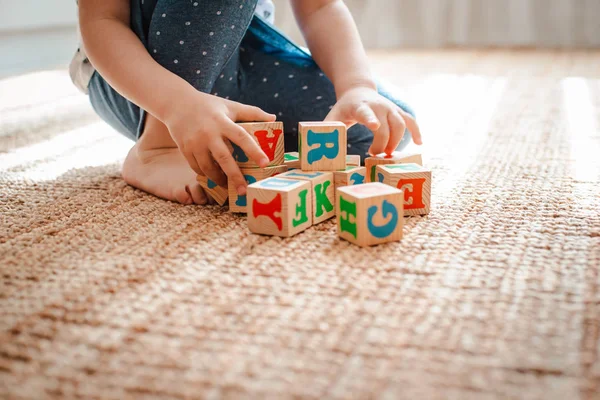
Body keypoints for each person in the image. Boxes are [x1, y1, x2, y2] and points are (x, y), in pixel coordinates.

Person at [73, 0, 422, 205]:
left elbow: (321, 6)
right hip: (138, 81)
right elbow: (102, 20)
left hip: (240, 61)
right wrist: (176, 105)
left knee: (368, 129)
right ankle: (159, 145)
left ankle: (214, 129)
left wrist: (356, 87)